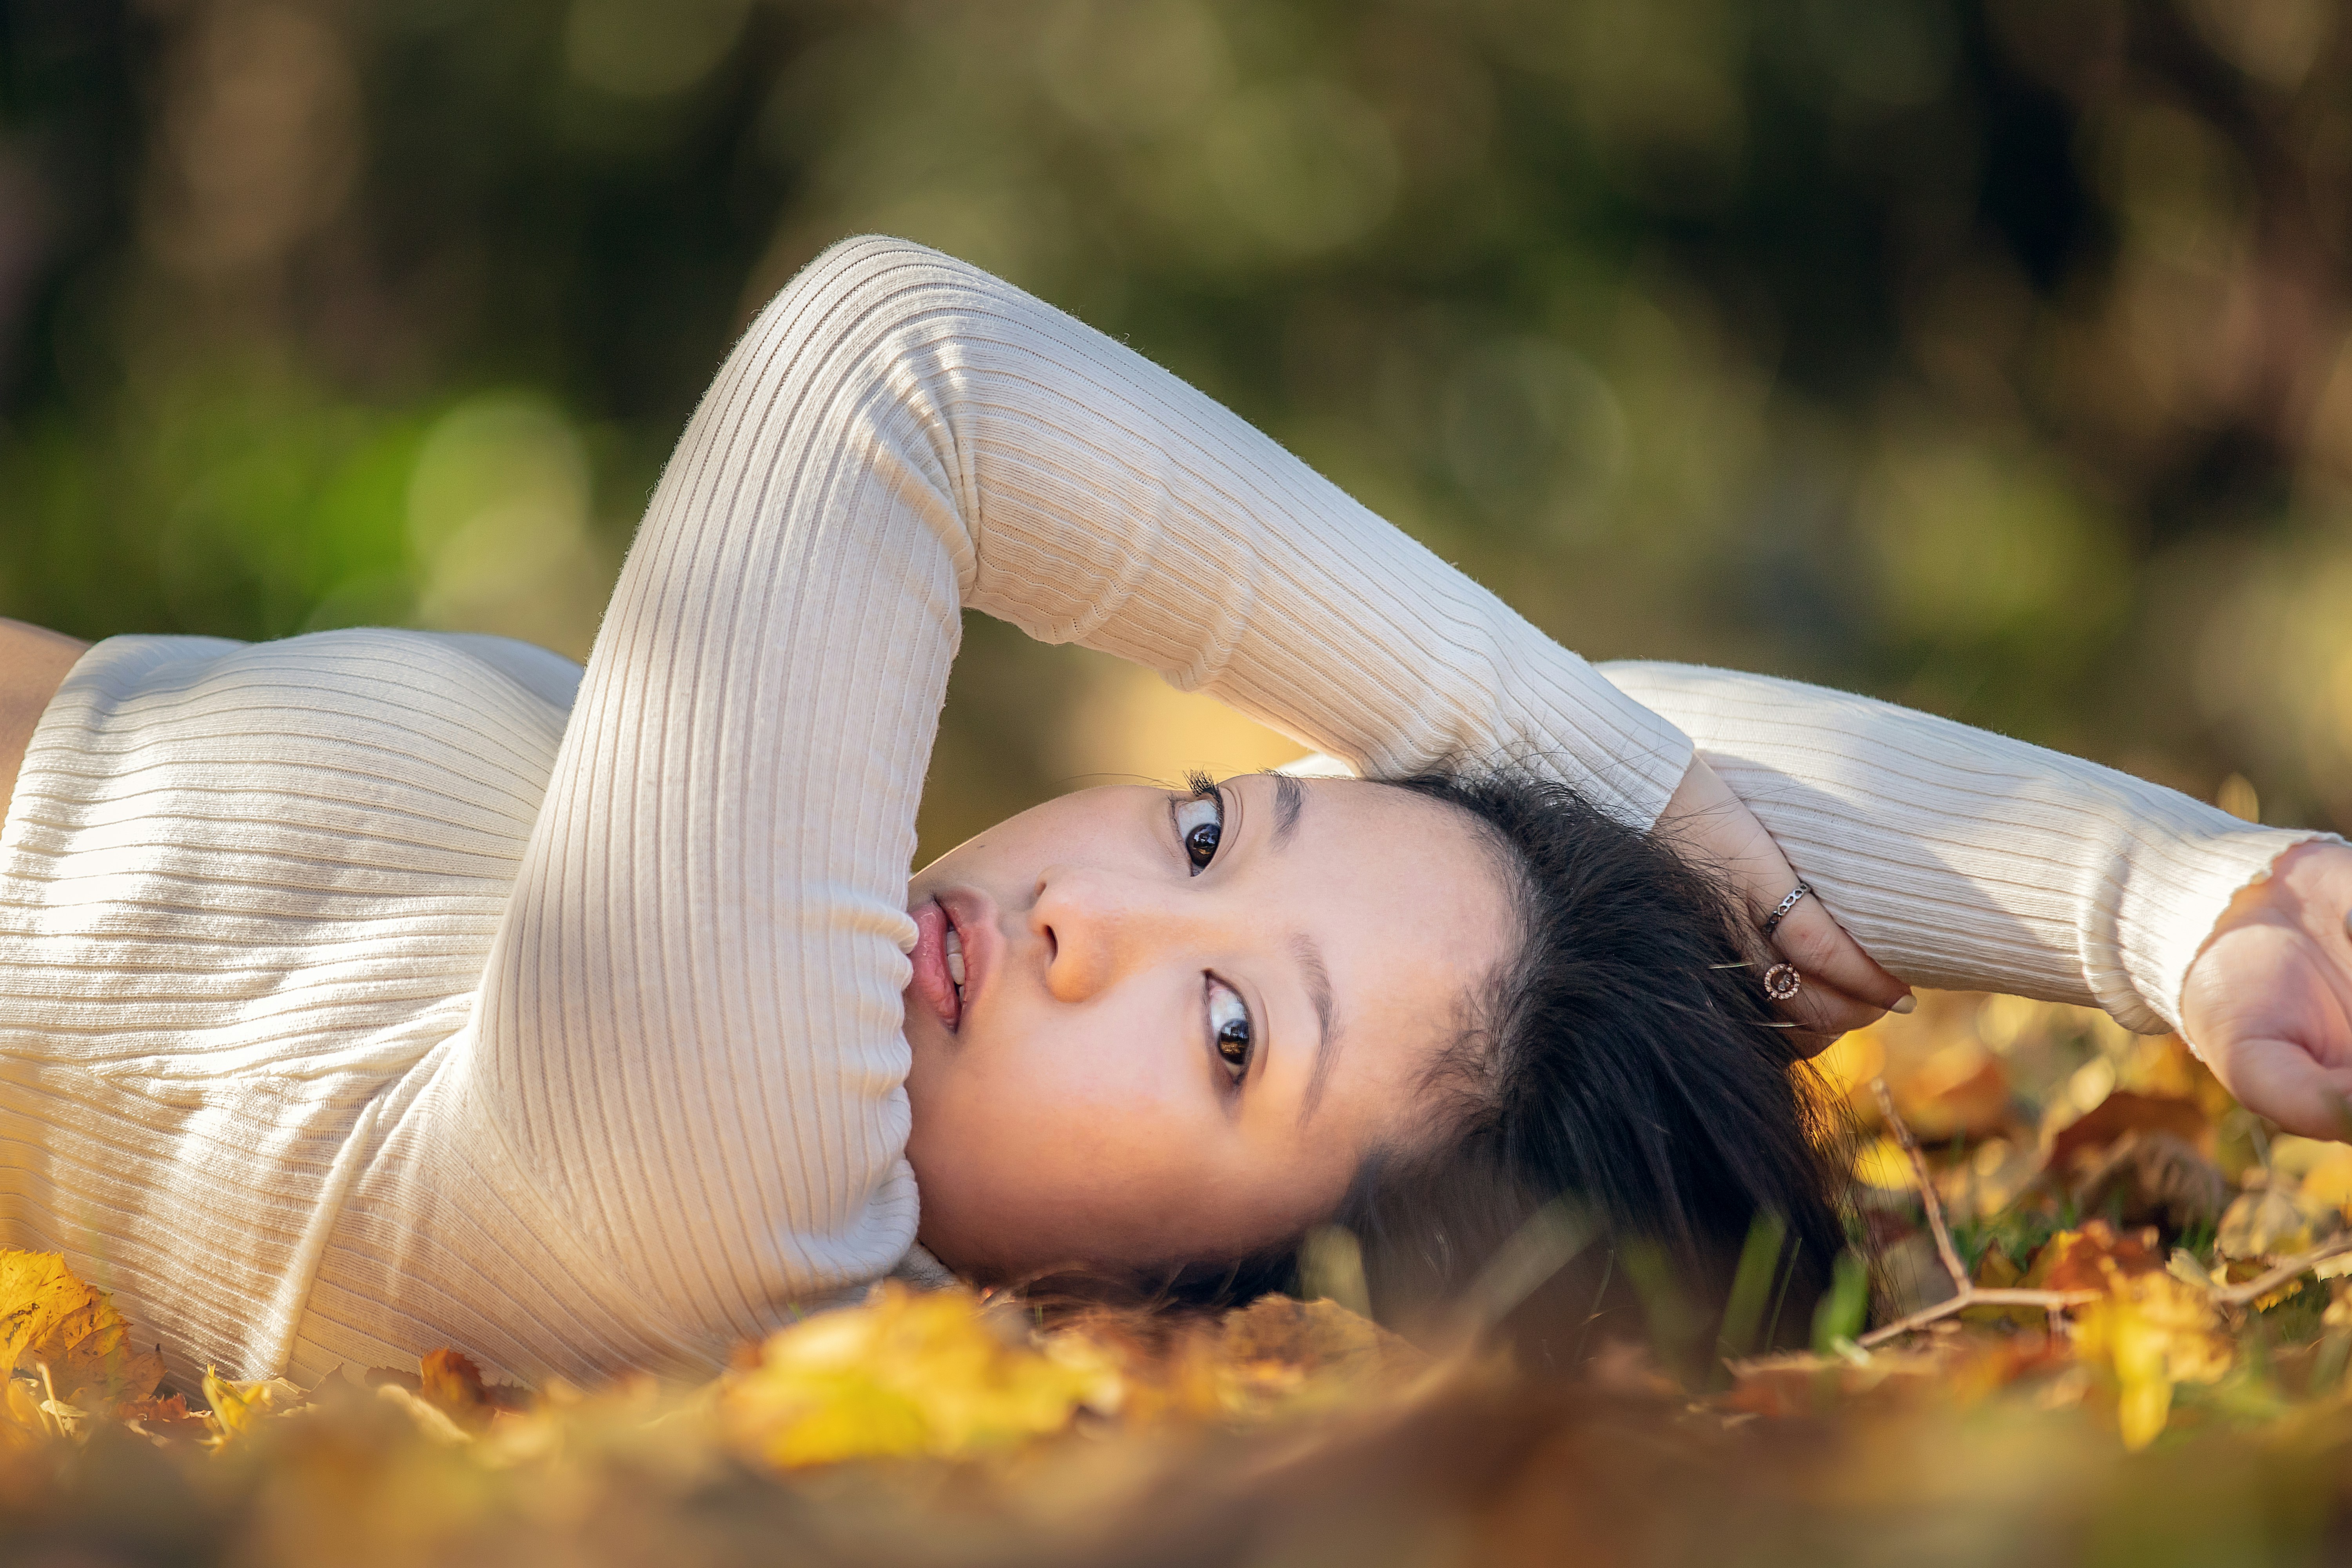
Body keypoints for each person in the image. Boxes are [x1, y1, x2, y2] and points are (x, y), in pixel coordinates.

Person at [0, 238, 2344, 1390]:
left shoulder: (737, 1179)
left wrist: (1605, 780)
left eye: (1233, 1046)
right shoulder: (840, 1001)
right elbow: (1637, 762)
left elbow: (893, 367)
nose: (1090, 919)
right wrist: (2182, 903)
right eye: (1216, 829)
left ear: (1183, 1325)